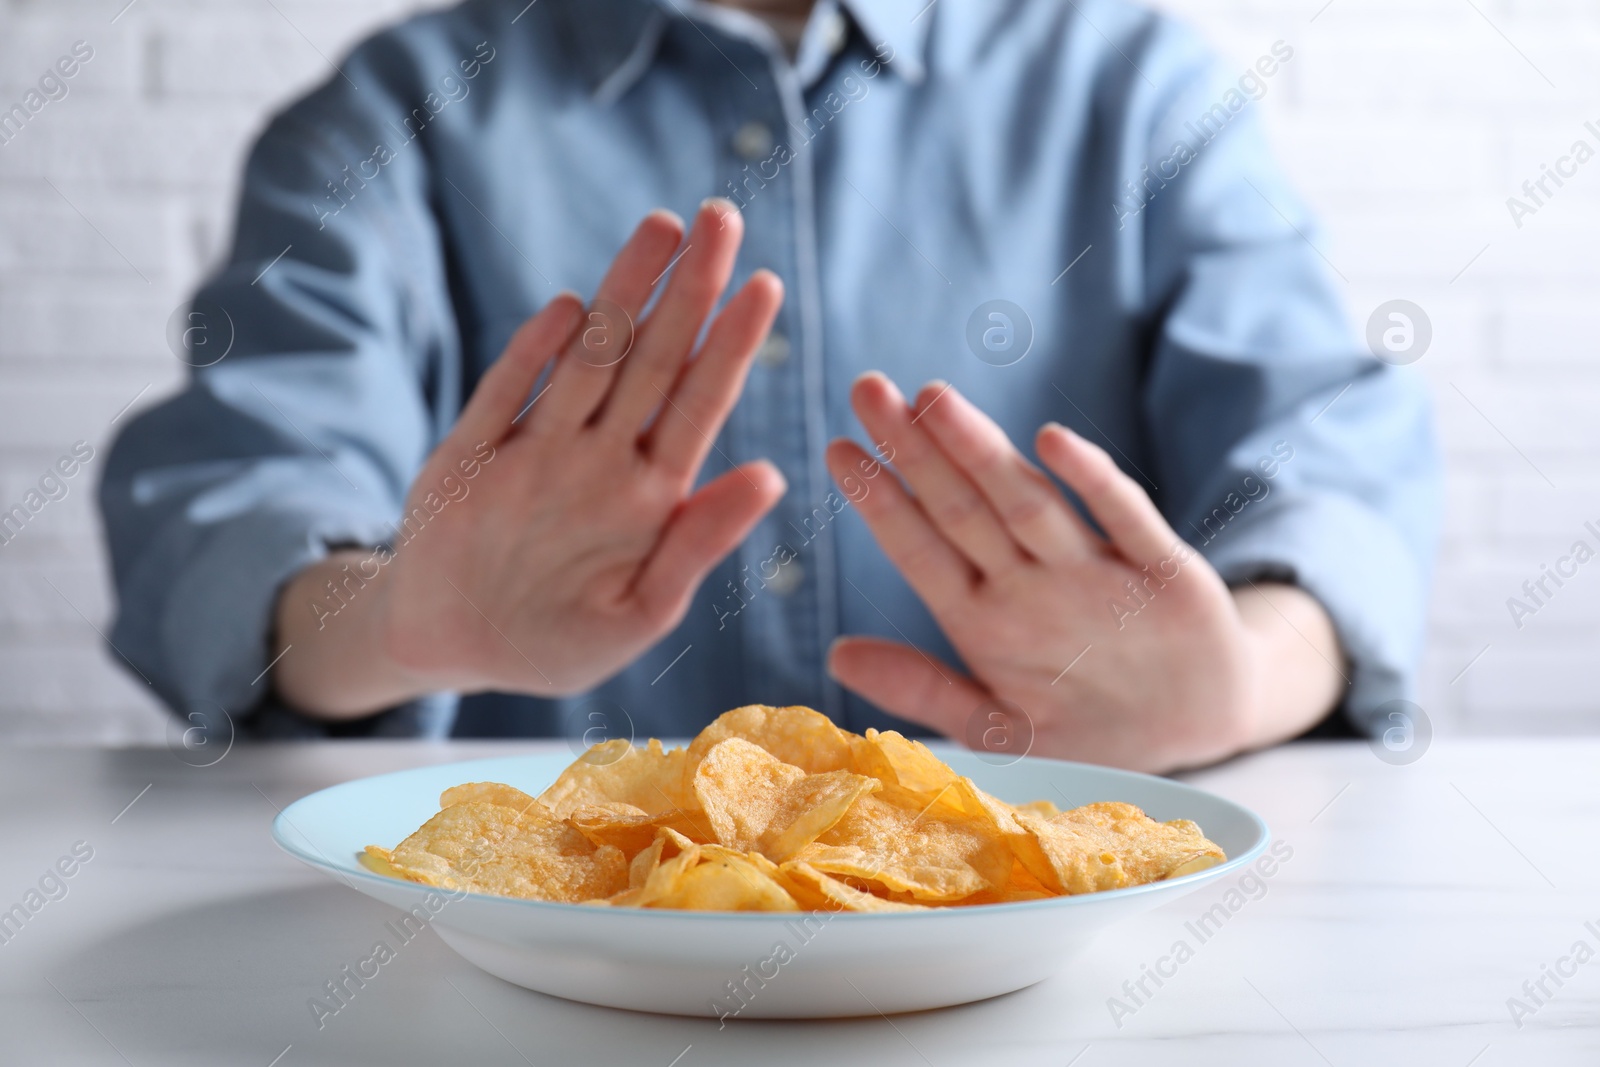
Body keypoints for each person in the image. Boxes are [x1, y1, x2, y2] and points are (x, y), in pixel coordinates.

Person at [100, 0, 1439, 772]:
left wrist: (1240, 685)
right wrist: (397, 621)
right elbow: (229, 501)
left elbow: (1330, 455)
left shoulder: (1136, 87)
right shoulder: (394, 112)